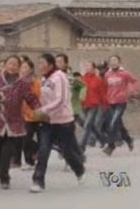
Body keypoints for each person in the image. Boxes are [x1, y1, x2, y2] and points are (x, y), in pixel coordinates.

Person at [30, 53, 85, 193]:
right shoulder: (43, 79)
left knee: (67, 151)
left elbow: (60, 100)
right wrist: (39, 111)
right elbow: (43, 98)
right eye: (38, 63)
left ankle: (79, 169)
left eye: (42, 63)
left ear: (50, 64)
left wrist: (43, 110)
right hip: (47, 121)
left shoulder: (60, 77)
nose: (40, 66)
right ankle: (38, 180)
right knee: (43, 149)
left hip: (63, 121)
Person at [0, 55, 40, 190]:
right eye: (10, 63)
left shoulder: (23, 83)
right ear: (5, 65)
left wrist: (42, 112)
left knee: (7, 152)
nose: (12, 66)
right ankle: (2, 170)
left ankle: (4, 177)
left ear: (19, 67)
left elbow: (31, 99)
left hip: (14, 123)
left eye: (15, 64)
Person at [103, 55, 138, 156]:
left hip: (121, 102)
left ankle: (110, 146)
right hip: (111, 101)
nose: (113, 62)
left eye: (115, 60)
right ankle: (129, 139)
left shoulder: (125, 73)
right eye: (111, 61)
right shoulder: (107, 74)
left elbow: (134, 81)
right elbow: (105, 87)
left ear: (119, 62)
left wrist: (133, 91)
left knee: (113, 122)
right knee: (118, 124)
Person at [20, 58, 42, 171]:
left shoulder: (36, 82)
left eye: (25, 68)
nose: (22, 70)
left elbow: (38, 97)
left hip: (37, 114)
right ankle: (30, 161)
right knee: (25, 139)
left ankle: (41, 152)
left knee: (39, 138)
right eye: (22, 67)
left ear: (31, 70)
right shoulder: (20, 81)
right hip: (24, 115)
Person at [80, 62, 106, 152]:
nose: (86, 67)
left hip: (94, 105)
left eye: (88, 66)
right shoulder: (82, 79)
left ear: (93, 68)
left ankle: (81, 146)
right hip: (84, 104)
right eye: (86, 66)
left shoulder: (98, 80)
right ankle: (102, 139)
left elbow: (102, 93)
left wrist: (104, 105)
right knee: (91, 125)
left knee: (87, 125)